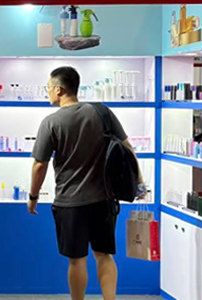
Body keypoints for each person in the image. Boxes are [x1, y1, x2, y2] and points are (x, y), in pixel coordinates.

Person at [28, 66, 145, 300]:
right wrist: (139, 182)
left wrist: (33, 197)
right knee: (104, 255)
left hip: (70, 202)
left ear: (59, 89)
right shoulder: (102, 112)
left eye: (48, 87)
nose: (47, 92)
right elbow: (127, 149)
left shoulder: (51, 122)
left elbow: (40, 164)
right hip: (104, 199)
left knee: (76, 260)